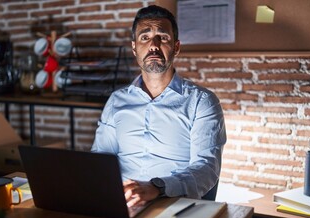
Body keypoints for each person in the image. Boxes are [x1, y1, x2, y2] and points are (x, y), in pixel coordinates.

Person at [91, 5, 226, 207]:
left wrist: (157, 188)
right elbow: (101, 159)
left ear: (176, 47)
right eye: (145, 38)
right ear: (134, 47)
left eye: (162, 37)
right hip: (121, 202)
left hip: (173, 204)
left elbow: (206, 168)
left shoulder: (202, 102)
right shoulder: (116, 101)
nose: (153, 45)